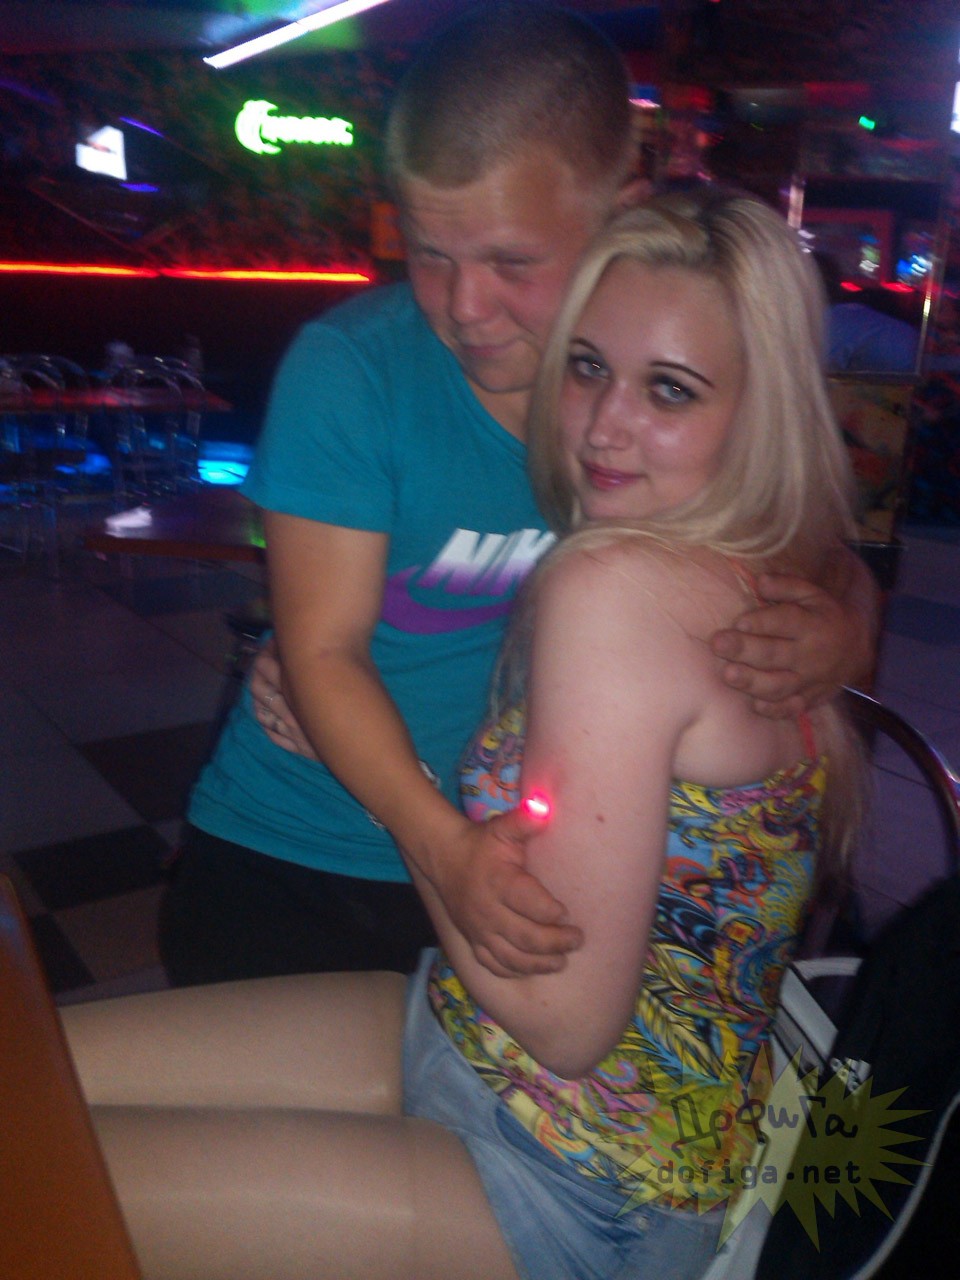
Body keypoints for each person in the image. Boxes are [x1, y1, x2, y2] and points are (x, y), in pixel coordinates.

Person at [63, 189, 864, 1280]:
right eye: (588, 368)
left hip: (575, 1183)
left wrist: (396, 791)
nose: (603, 426)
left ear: (764, 411)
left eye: (670, 389)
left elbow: (564, 1022)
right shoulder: (763, 571)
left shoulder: (617, 588)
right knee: (34, 1079)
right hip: (469, 1046)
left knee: (38, 1161)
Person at [160, 0, 876, 988]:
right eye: (430, 251)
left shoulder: (661, 399)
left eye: (512, 261)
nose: (464, 306)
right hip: (305, 855)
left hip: (551, 871)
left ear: (621, 206)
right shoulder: (353, 369)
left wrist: (841, 627)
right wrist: (444, 845)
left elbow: (811, 545)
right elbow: (323, 653)